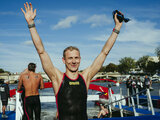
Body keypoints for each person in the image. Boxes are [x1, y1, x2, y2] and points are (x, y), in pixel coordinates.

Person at [21, 2, 123, 120]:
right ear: (64, 60)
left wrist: (117, 28)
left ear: (80, 59)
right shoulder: (57, 78)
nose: (73, 61)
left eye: (76, 58)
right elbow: (41, 51)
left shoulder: (86, 77)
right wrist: (31, 24)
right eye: (70, 58)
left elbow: (104, 52)